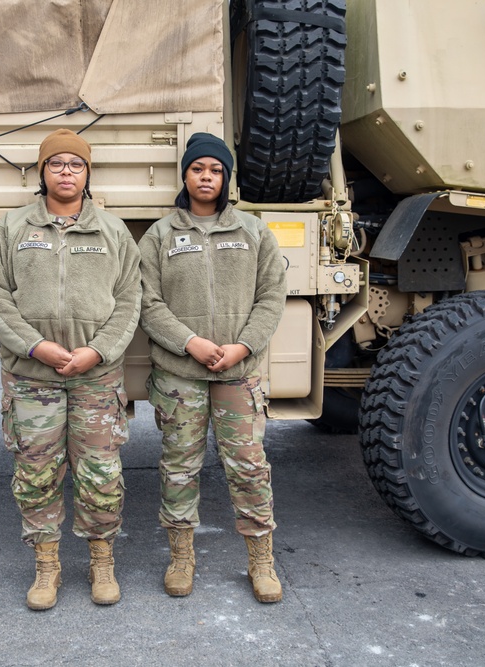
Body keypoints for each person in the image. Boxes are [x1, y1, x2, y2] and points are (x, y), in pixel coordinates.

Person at [0, 128, 141, 610]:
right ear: (41, 172)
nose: (66, 172)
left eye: (76, 164)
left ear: (88, 174)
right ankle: (47, 567)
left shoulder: (112, 232)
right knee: (36, 473)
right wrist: (36, 346)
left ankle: (102, 563)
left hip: (95, 376)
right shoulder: (11, 230)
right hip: (32, 378)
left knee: (100, 473)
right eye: (56, 164)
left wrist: (99, 351)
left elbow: (130, 300)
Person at [138, 132, 287, 603]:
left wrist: (242, 347)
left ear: (226, 179)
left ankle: (261, 559)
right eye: (199, 168)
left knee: (248, 467)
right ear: (185, 175)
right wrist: (191, 343)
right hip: (180, 375)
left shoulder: (254, 232)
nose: (207, 177)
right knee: (180, 467)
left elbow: (271, 298)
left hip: (238, 375)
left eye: (216, 170)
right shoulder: (160, 236)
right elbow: (148, 302)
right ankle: (182, 557)